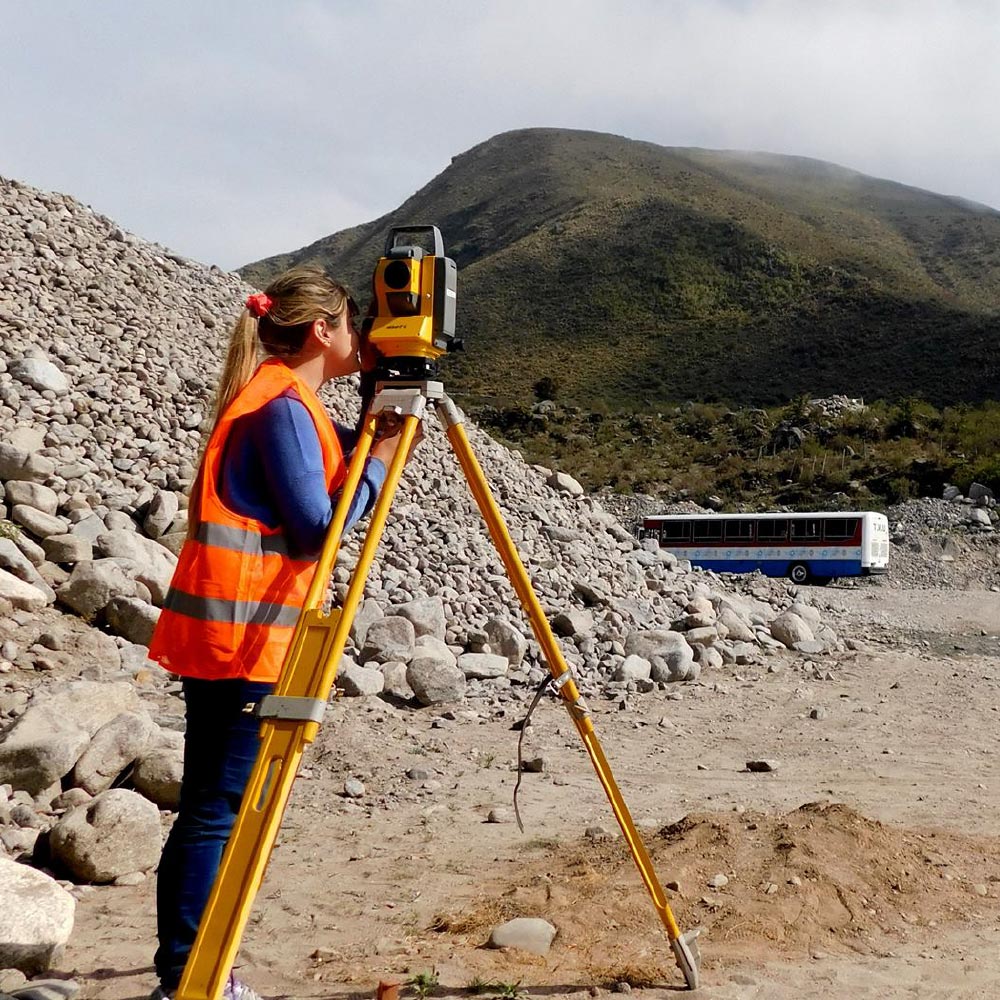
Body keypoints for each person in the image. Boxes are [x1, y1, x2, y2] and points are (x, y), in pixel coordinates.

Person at [146, 266, 419, 1000]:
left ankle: (188, 971)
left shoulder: (284, 397)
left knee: (212, 804)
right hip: (243, 639)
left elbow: (320, 486)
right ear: (322, 330)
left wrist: (371, 429)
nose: (360, 339)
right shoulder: (280, 406)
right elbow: (317, 528)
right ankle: (191, 978)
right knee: (216, 810)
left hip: (238, 633)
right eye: (352, 326)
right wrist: (385, 457)